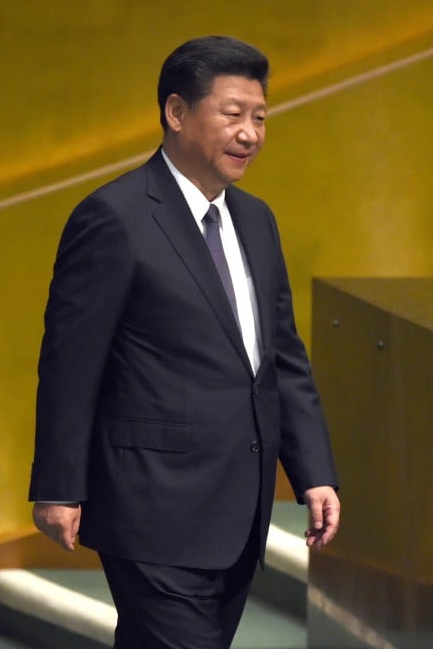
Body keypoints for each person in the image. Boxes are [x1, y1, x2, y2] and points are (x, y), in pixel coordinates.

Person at [29, 35, 340, 649]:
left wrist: (313, 472)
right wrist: (58, 485)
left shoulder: (256, 218)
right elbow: (70, 364)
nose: (249, 132)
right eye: (232, 114)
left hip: (238, 511)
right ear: (176, 113)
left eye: (259, 117)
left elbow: (279, 357)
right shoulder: (114, 217)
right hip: (151, 509)